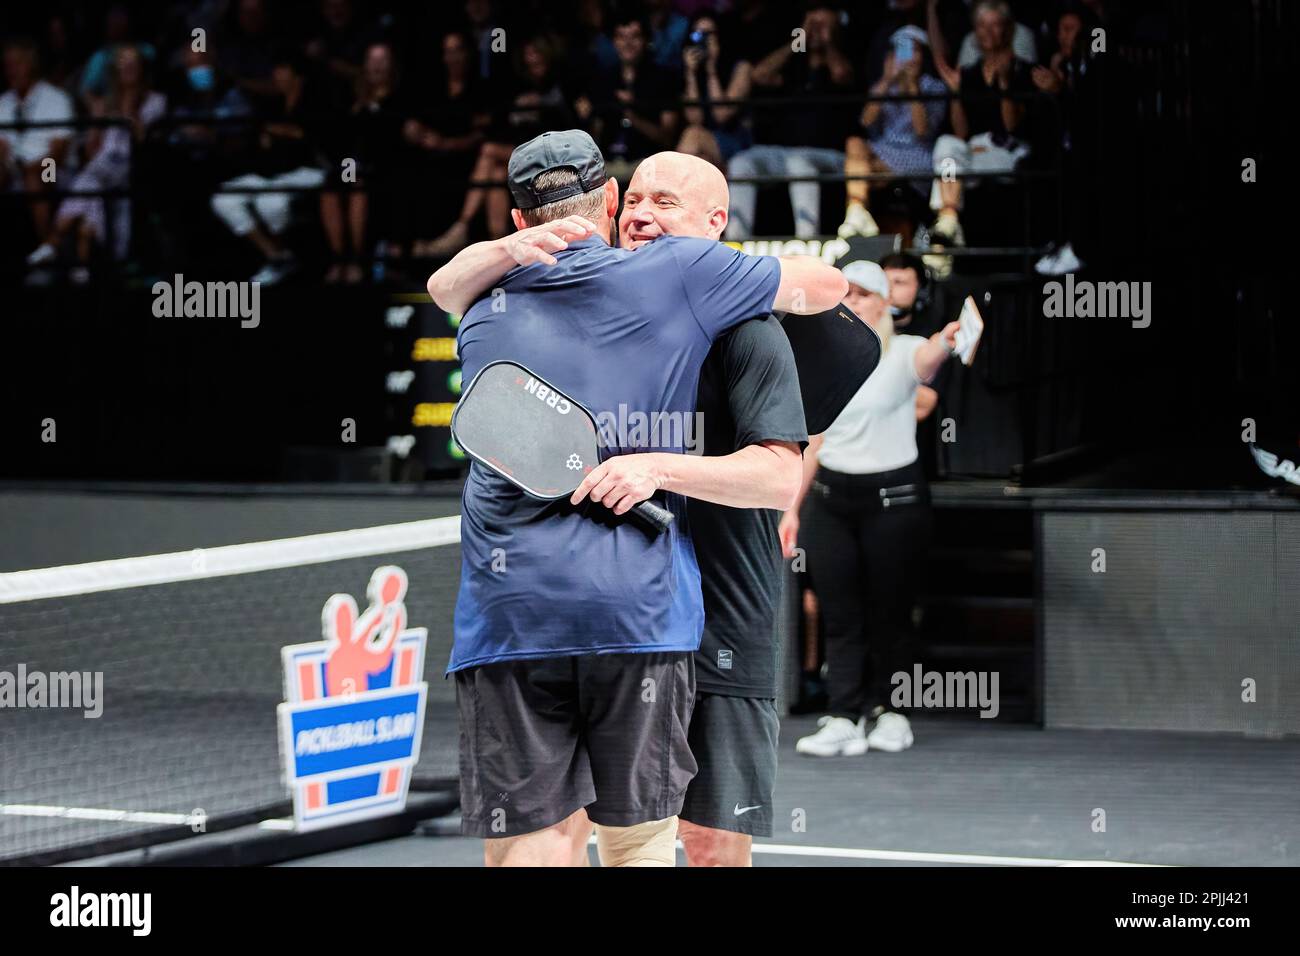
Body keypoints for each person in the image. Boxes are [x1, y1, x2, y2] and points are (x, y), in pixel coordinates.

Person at [427, 130, 846, 866]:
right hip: (644, 612)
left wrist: (657, 467)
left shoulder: (734, 317)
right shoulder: (571, 288)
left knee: (708, 843)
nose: (646, 212)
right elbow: (447, 286)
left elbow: (782, 476)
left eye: (668, 200)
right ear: (612, 203)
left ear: (718, 225)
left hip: (717, 609)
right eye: (639, 197)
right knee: (598, 836)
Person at [780, 259, 959, 758]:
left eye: (864, 294)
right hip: (832, 501)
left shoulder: (902, 351)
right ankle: (842, 714)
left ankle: (888, 710)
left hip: (894, 502)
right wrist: (791, 509)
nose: (854, 302)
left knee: (890, 613)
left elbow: (929, 360)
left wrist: (948, 339)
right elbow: (813, 440)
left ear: (886, 303)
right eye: (847, 293)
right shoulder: (825, 360)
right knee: (839, 613)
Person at [26, 46, 166, 281]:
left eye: (133, 62)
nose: (128, 67)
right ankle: (81, 269)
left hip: (133, 166)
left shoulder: (156, 101)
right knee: (91, 189)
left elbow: (143, 139)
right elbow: (92, 151)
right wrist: (96, 126)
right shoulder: (106, 103)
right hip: (101, 167)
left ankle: (52, 242)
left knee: (90, 182)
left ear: (141, 68)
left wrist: (129, 106)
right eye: (123, 62)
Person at [727, 4, 856, 239]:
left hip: (832, 155)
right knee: (741, 163)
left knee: (799, 163)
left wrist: (828, 43)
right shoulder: (795, 62)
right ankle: (736, 241)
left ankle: (807, 240)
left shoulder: (849, 53)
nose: (816, 29)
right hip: (783, 152)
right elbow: (760, 75)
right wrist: (800, 40)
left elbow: (843, 75)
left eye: (822, 23)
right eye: (812, 22)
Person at [209, 52, 327, 284]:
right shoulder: (272, 104)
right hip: (269, 173)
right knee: (223, 198)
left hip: (306, 171)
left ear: (298, 77)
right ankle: (277, 255)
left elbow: (308, 137)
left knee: (270, 203)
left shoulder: (315, 102)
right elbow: (262, 137)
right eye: (276, 72)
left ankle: (290, 260)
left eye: (283, 72)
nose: (278, 77)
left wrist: (279, 132)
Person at [927, 0, 1036, 252]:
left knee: (954, 169)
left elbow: (1012, 126)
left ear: (1008, 30)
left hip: (1008, 153)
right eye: (982, 26)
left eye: (995, 25)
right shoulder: (968, 73)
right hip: (971, 156)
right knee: (946, 147)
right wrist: (956, 93)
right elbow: (961, 133)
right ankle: (949, 218)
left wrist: (1005, 82)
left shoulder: (1025, 72)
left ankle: (945, 234)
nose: (988, 32)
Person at [839, 26, 948, 242]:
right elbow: (865, 121)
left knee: (860, 171)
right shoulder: (884, 86)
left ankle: (860, 209)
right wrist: (887, 80)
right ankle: (856, 210)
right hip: (884, 148)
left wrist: (912, 87)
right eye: (903, 51)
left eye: (914, 51)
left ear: (922, 56)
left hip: (917, 154)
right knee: (854, 143)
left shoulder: (934, 88)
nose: (909, 58)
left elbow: (922, 131)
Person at [0, 38, 76, 249]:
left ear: (31, 65)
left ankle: (47, 248)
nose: (11, 71)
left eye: (17, 64)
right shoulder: (3, 103)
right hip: (15, 171)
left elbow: (58, 153)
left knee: (37, 175)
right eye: (7, 66)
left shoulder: (57, 99)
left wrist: (29, 169)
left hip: (53, 169)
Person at [676, 13, 754, 169]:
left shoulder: (741, 68)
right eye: (698, 34)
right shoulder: (688, 71)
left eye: (709, 34)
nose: (703, 40)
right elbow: (695, 119)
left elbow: (721, 114)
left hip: (736, 141)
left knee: (692, 135)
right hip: (704, 143)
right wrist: (691, 74)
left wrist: (712, 69)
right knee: (700, 158)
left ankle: (671, 190)